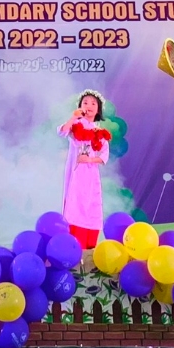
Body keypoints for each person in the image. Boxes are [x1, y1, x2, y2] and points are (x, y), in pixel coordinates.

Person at [58, 91, 110, 249]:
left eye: (94, 103)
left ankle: (89, 245)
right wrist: (73, 117)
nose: (89, 106)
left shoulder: (100, 133)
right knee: (76, 203)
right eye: (85, 102)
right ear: (80, 106)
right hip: (76, 173)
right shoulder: (75, 126)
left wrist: (89, 160)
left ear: (98, 110)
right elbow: (62, 131)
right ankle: (74, 246)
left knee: (91, 204)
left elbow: (104, 156)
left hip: (91, 174)